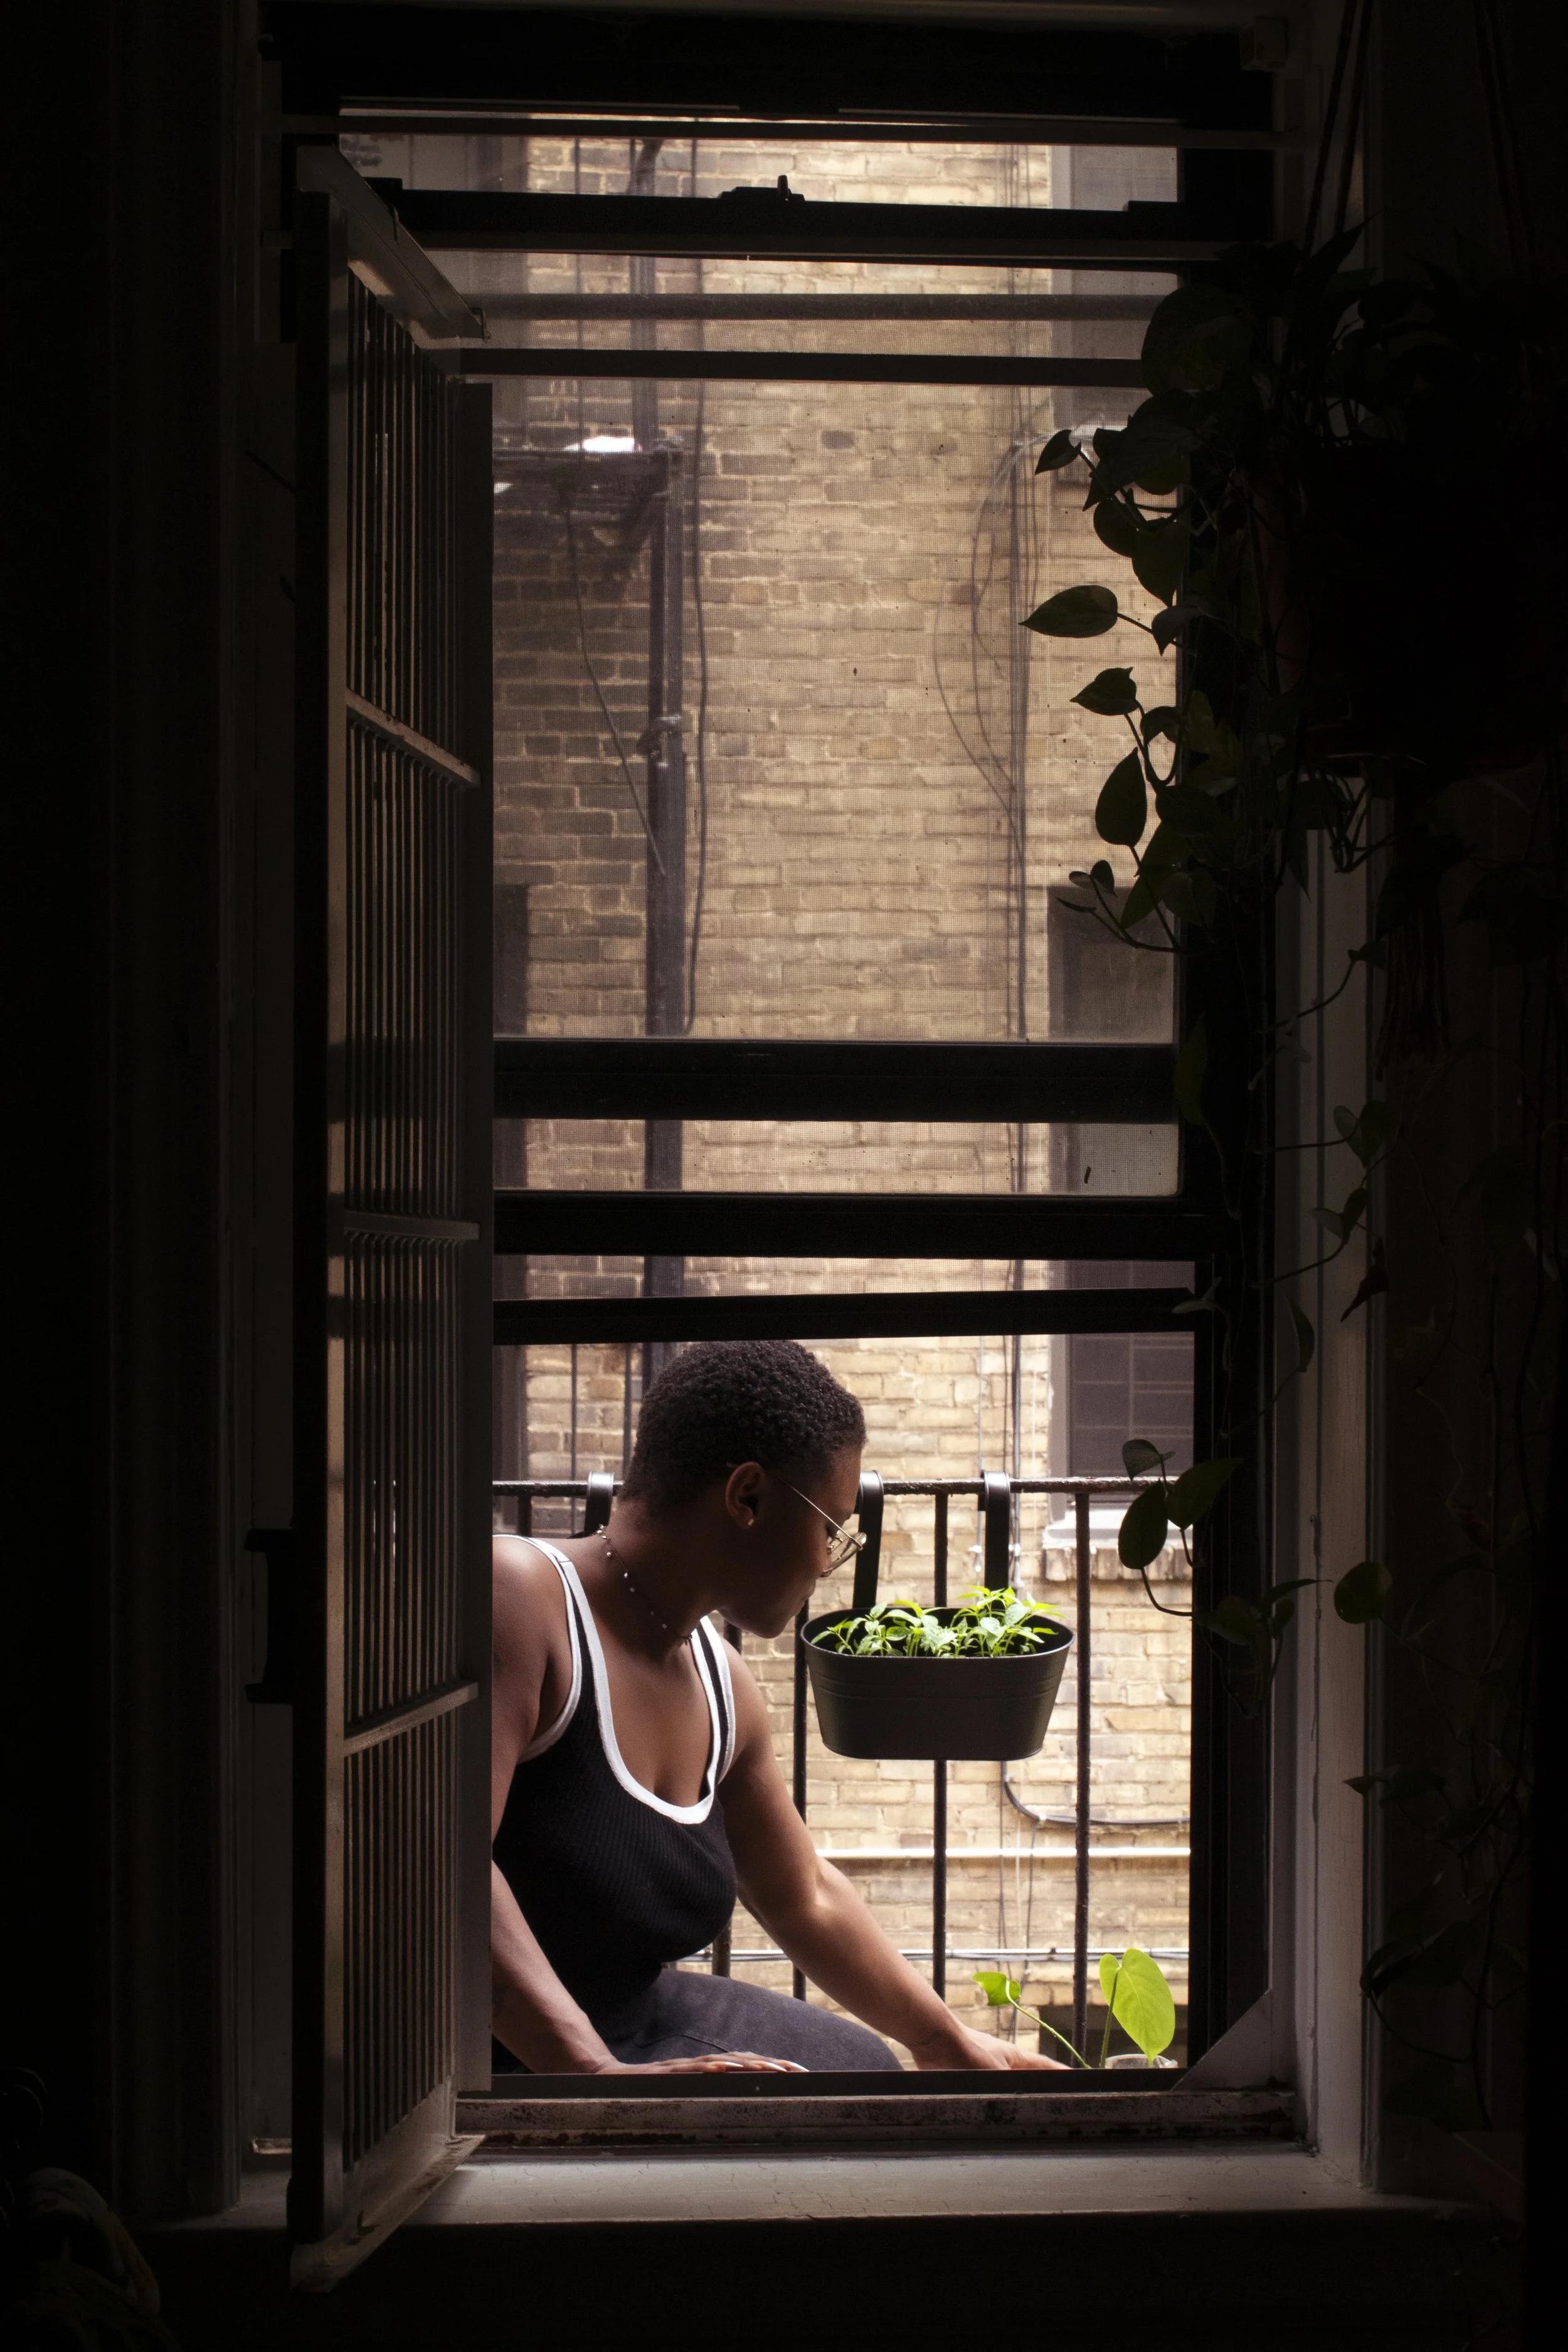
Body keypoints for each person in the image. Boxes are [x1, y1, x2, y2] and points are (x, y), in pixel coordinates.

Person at [490, 1339, 1064, 2076]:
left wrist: (944, 2041)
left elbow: (804, 1897)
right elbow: (440, 1867)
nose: (829, 1562)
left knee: (862, 2072)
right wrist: (601, 2083)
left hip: (636, 2016)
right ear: (747, 1497)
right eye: (831, 1527)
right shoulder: (519, 1597)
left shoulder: (723, 1682)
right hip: (500, 2052)